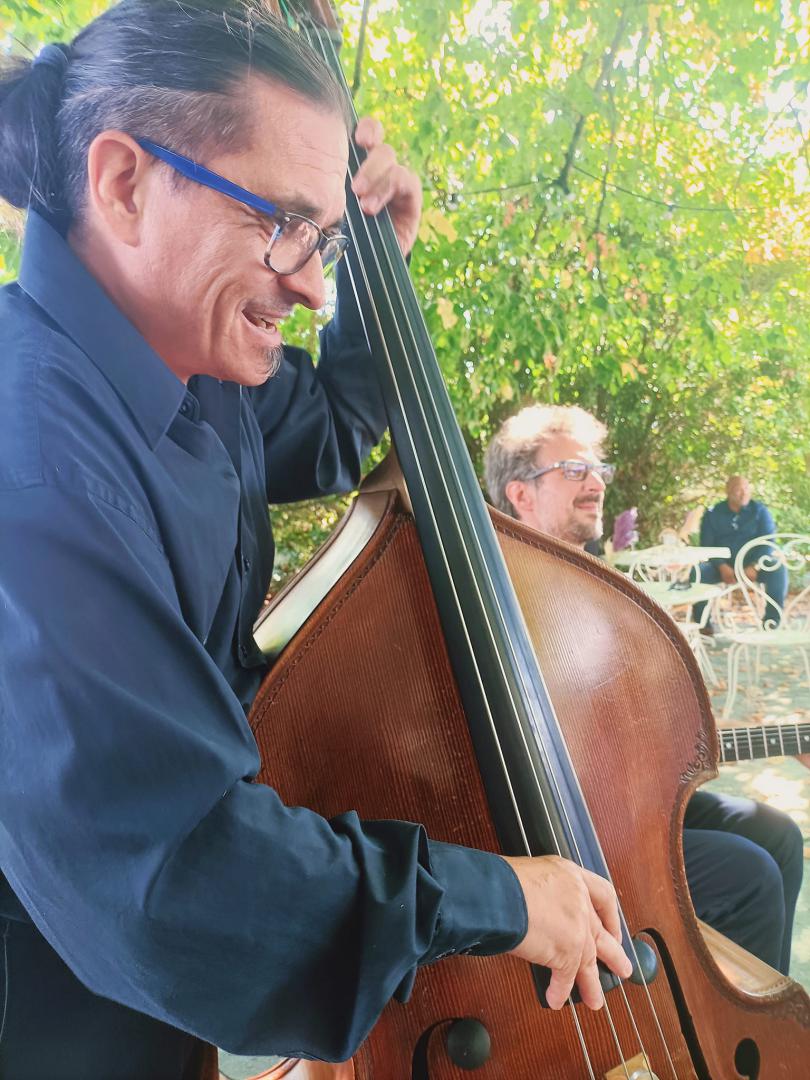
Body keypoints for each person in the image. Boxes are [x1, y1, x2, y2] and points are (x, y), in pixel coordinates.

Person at [0, 4, 632, 1077]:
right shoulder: (34, 460)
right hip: (60, 1005)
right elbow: (173, 874)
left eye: (324, 237)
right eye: (279, 222)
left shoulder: (200, 362)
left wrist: (381, 251)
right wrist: (498, 895)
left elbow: (336, 427)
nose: (311, 282)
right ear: (121, 182)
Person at [484, 403, 804, 976]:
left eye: (597, 470)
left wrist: (775, 738)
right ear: (520, 494)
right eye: (573, 471)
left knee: (776, 833)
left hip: (628, 801)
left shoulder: (596, 585)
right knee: (749, 874)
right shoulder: (502, 589)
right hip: (566, 832)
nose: (595, 483)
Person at [694, 475, 788, 631]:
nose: (744, 493)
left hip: (753, 565)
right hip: (723, 567)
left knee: (778, 569)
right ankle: (702, 624)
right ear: (728, 491)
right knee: (698, 573)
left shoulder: (760, 511)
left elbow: (768, 542)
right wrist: (721, 566)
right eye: (739, 489)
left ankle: (771, 622)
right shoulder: (713, 513)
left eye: (746, 489)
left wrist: (755, 565)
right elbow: (707, 545)